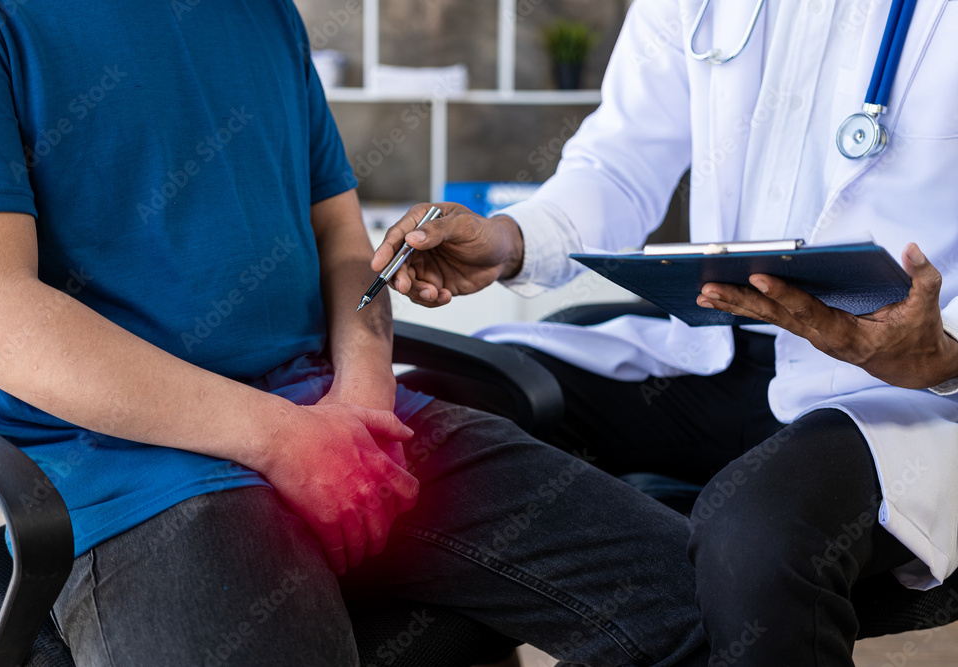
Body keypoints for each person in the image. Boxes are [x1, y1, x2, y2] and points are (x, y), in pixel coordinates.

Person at [0, 1, 719, 665]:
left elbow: (344, 244)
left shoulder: (265, 13)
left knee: (714, 608)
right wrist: (281, 440)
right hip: (130, 467)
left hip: (338, 418)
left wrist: (362, 403)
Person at [373, 0, 958, 664]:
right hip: (711, 347)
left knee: (755, 537)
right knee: (418, 438)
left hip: (906, 391)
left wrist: (940, 353)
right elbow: (618, 165)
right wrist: (508, 239)